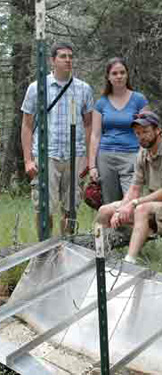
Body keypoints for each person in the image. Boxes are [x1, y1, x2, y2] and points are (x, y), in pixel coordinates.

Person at [96, 111, 162, 264]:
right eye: (137, 133)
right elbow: (134, 189)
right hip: (156, 204)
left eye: (146, 132)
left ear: (157, 130)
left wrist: (135, 203)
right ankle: (100, 256)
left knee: (141, 209)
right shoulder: (142, 153)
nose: (141, 136)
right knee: (104, 211)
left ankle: (130, 261)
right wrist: (120, 209)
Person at [21, 41, 93, 236]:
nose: (68, 60)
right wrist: (28, 160)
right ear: (52, 61)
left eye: (70, 56)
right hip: (46, 155)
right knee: (44, 207)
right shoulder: (37, 88)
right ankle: (45, 249)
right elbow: (27, 126)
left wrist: (88, 159)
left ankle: (67, 248)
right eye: (63, 56)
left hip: (74, 155)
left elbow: (88, 125)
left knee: (71, 207)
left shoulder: (84, 89)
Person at [89, 57, 148, 204]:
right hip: (106, 157)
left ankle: (134, 227)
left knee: (131, 202)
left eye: (122, 72)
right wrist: (92, 166)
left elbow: (147, 131)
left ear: (127, 75)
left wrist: (144, 156)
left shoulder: (139, 100)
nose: (119, 76)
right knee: (110, 202)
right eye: (114, 73)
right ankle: (110, 228)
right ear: (108, 77)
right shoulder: (101, 103)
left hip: (132, 156)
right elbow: (95, 135)